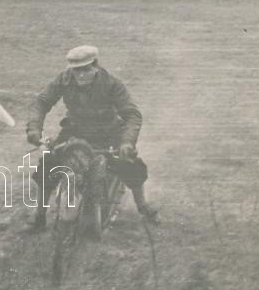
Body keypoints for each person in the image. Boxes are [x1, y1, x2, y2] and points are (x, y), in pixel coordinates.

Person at [25, 45, 159, 230]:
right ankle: (39, 216)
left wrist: (127, 142)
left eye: (85, 69)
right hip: (75, 130)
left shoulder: (112, 84)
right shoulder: (63, 80)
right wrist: (34, 129)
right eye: (76, 70)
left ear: (95, 66)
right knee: (49, 162)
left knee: (129, 163)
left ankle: (142, 205)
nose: (80, 75)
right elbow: (41, 102)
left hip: (108, 131)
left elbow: (132, 114)